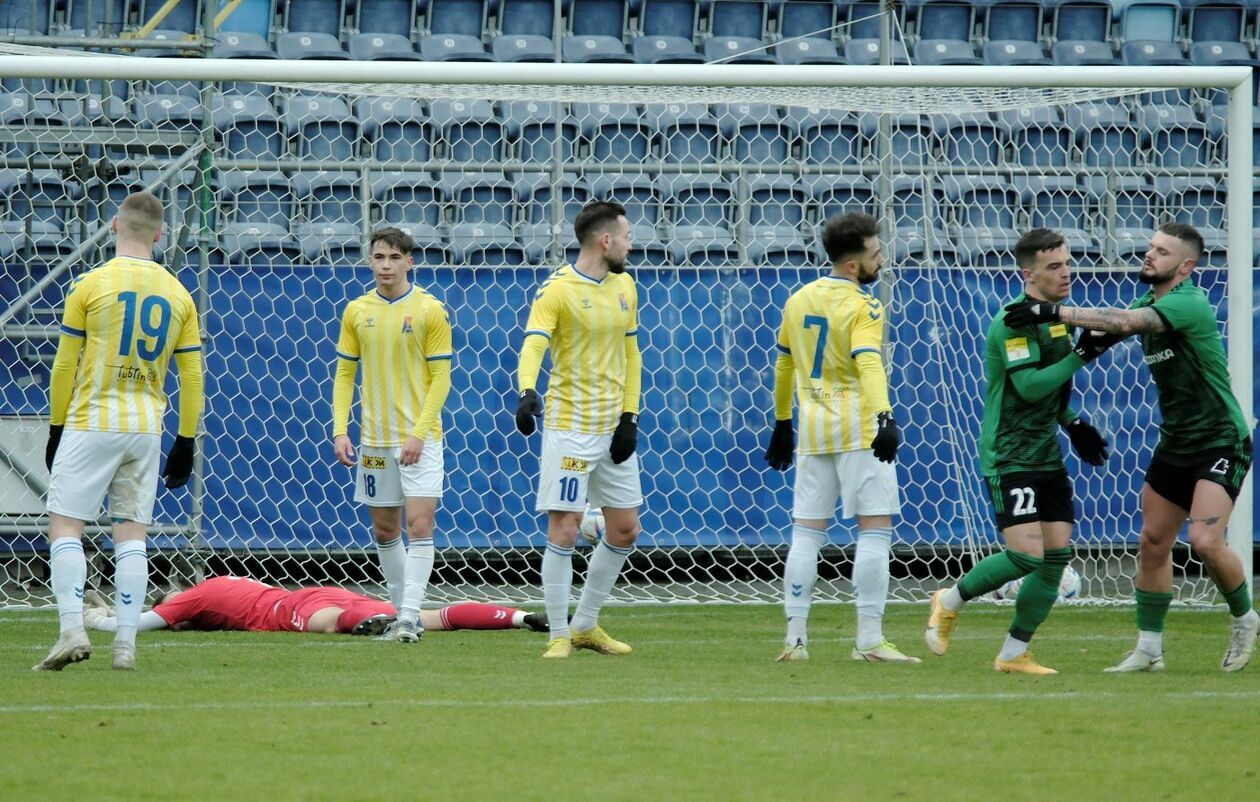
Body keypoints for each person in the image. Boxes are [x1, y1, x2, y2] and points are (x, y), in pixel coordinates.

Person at [1004, 222, 1257, 673]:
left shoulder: (1189, 303)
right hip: (1175, 441)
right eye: (1150, 247)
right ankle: (1149, 649)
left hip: (1220, 438)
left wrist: (1052, 315)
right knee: (1153, 542)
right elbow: (1112, 325)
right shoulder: (1147, 299)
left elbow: (1124, 323)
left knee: (1202, 540)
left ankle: (1244, 618)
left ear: (1186, 266)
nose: (1149, 255)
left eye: (1161, 252)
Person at [924, 228, 1111, 674]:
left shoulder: (1058, 317)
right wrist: (1082, 356)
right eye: (1053, 266)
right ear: (1027, 274)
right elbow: (1027, 387)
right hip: (1008, 455)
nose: (1065, 272)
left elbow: (1054, 385)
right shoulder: (1014, 321)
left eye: (1067, 263)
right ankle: (948, 600)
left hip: (1045, 453)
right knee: (1026, 556)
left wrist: (1072, 422)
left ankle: (1013, 653)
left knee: (1056, 559)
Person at [34, 191, 204, 672]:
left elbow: (65, 363)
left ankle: (71, 630)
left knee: (66, 525)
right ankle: (125, 645)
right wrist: (185, 440)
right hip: (146, 426)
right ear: (159, 233)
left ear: (113, 226)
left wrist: (56, 427)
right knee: (132, 535)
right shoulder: (178, 293)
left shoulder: (90, 284)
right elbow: (191, 376)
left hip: (92, 419)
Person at [763, 211, 918, 664]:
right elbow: (868, 361)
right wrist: (885, 417)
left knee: (807, 534)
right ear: (853, 264)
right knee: (874, 531)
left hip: (813, 431)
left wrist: (782, 422)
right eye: (875, 253)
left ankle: (795, 642)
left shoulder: (798, 299)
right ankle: (869, 640)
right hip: (858, 430)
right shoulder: (866, 306)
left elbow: (784, 364)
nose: (881, 260)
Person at [514, 200, 642, 659]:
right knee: (564, 529)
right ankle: (558, 635)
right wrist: (527, 390)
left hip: (613, 428)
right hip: (570, 427)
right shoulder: (558, 290)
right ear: (605, 241)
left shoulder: (626, 286)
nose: (631, 243)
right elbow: (534, 344)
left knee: (625, 529)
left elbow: (632, 355)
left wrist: (630, 416)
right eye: (626, 235)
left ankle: (585, 624)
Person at [332, 227, 453, 644]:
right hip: (375, 440)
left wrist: (419, 434)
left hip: (419, 438)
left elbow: (441, 378)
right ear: (370, 260)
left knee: (419, 524)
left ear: (409, 262)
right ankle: (407, 613)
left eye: (394, 258)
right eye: (378, 257)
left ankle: (407, 617)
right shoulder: (356, 311)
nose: (385, 265)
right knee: (385, 531)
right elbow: (345, 373)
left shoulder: (429, 310)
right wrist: (339, 430)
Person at [80, 577, 547, 635]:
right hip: (319, 591)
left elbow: (139, 624)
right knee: (429, 616)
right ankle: (522, 615)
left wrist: (97, 618)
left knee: (329, 625)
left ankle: (375, 625)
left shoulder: (190, 598)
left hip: (297, 608)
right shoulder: (227, 582)